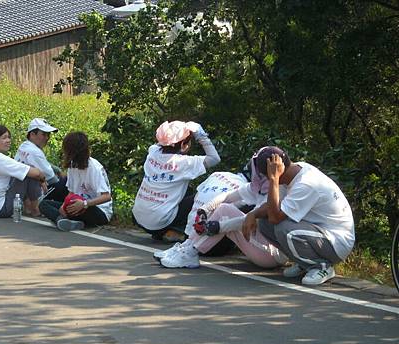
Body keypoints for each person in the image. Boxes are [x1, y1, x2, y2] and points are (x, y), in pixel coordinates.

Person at [242, 146, 355, 285]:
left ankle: (321, 267)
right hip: (318, 232)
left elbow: (275, 217)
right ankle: (303, 263)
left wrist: (273, 180)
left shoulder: (305, 184)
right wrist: (253, 214)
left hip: (336, 242)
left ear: (278, 170)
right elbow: (271, 208)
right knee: (264, 224)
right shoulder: (292, 172)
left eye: (267, 177)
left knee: (283, 228)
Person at [155, 154, 286, 269]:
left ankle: (192, 251)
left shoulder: (277, 191)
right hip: (261, 243)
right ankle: (187, 246)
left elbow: (251, 221)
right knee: (224, 208)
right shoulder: (259, 187)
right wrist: (205, 210)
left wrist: (217, 227)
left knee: (225, 214)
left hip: (271, 253)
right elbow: (228, 196)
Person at [132, 120, 221, 243]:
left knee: (186, 191)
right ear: (184, 145)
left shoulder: (153, 152)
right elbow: (214, 158)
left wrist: (171, 133)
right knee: (200, 196)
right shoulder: (185, 163)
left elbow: (160, 145)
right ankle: (176, 230)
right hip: (161, 223)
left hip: (138, 218)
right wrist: (201, 135)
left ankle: (162, 232)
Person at [39, 132, 112, 232]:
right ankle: (63, 220)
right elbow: (71, 192)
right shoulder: (72, 166)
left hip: (96, 209)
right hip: (76, 205)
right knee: (43, 204)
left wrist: (84, 204)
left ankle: (65, 220)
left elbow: (106, 197)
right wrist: (63, 206)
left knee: (83, 210)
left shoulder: (94, 168)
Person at [0, 124, 46, 218]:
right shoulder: (1, 159)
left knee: (22, 171)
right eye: (4, 138)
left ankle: (28, 207)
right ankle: (35, 210)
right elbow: (37, 173)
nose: (8, 140)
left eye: (9, 137)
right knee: (28, 172)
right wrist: (43, 180)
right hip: (0, 209)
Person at [14, 118, 68, 216]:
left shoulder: (24, 146)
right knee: (67, 182)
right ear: (32, 134)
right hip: (36, 192)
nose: (47, 138)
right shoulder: (35, 152)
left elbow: (45, 164)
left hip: (21, 189)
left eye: (48, 135)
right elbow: (52, 179)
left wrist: (58, 170)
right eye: (43, 134)